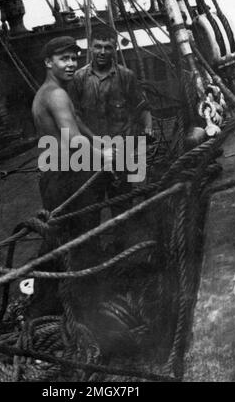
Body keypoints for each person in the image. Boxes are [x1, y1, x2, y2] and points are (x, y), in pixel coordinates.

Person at [31, 35, 114, 317]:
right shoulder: (56, 95)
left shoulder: (51, 91)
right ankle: (87, 312)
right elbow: (73, 141)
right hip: (67, 178)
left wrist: (101, 143)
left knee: (59, 241)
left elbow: (77, 123)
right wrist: (107, 157)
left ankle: (44, 305)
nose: (71, 64)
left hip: (57, 173)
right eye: (63, 59)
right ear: (48, 62)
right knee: (82, 241)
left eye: (74, 58)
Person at [68, 26, 152, 250]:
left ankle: (122, 248)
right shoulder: (78, 79)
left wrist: (148, 128)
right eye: (97, 46)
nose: (102, 52)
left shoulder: (126, 76)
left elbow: (142, 107)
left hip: (121, 151)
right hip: (92, 153)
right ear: (90, 46)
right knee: (90, 205)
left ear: (115, 48)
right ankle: (93, 249)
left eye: (107, 47)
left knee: (121, 202)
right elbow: (74, 116)